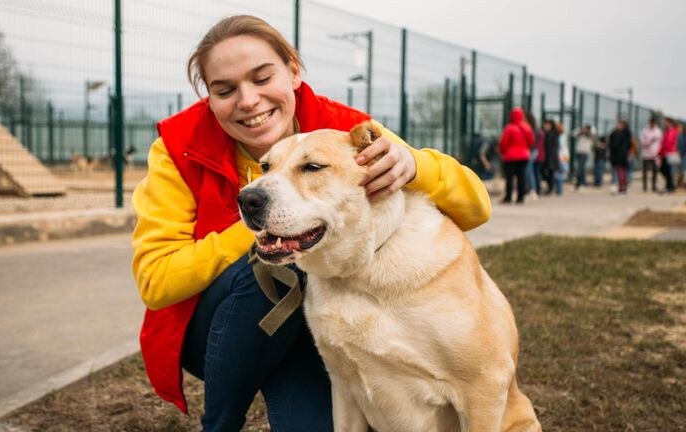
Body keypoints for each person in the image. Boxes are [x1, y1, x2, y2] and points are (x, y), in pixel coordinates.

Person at [130, 15, 491, 432]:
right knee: (265, 269)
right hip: (217, 331)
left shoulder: (344, 131)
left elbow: (476, 208)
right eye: (224, 90)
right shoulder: (179, 147)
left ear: (294, 71)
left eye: (262, 78)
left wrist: (415, 165)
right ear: (207, 96)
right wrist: (263, 225)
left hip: (315, 327)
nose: (248, 101)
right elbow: (155, 282)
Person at [498, 107, 534, 203]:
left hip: (510, 157)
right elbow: (531, 142)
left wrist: (502, 152)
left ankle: (508, 197)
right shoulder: (527, 128)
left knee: (509, 177)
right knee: (521, 176)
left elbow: (503, 143)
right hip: (523, 156)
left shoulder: (509, 128)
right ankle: (520, 197)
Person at [639, 114, 662, 192]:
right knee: (644, 172)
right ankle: (645, 187)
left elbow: (660, 143)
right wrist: (649, 141)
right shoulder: (645, 130)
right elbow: (642, 141)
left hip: (655, 154)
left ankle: (653, 186)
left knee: (655, 172)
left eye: (654, 123)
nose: (652, 125)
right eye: (651, 123)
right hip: (646, 154)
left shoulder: (658, 131)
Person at [608, 120, 632, 194]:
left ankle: (621, 187)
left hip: (620, 156)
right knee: (622, 171)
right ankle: (622, 187)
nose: (618, 125)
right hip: (621, 155)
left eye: (619, 124)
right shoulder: (624, 133)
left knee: (621, 171)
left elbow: (614, 144)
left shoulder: (620, 134)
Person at [572, 124, 597, 190]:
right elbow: (573, 134)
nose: (585, 129)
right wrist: (581, 130)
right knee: (582, 169)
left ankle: (579, 183)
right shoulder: (581, 135)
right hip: (579, 152)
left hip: (585, 153)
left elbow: (594, 137)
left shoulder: (590, 136)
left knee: (580, 168)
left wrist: (589, 131)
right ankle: (582, 183)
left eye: (586, 128)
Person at [524, 111, 540, 199]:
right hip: (530, 151)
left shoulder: (531, 129)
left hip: (531, 151)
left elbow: (532, 142)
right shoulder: (532, 128)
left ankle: (532, 190)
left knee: (529, 171)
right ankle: (530, 189)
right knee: (528, 171)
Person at [542, 119, 559, 194]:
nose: (546, 126)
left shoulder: (553, 133)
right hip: (546, 155)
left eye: (547, 124)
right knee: (544, 172)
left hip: (551, 156)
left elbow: (552, 145)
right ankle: (551, 187)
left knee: (550, 172)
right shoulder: (545, 132)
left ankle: (551, 188)